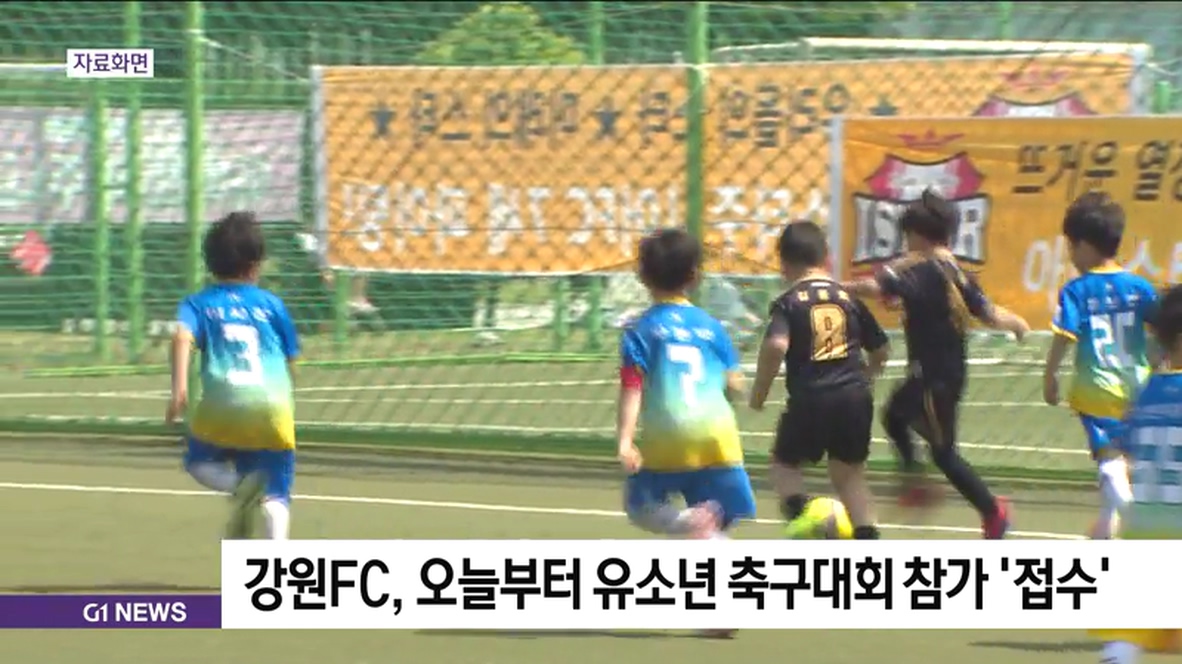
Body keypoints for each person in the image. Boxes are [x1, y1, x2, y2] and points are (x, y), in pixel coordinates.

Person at [844, 189, 1029, 539]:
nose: (905, 243)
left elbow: (876, 286)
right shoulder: (954, 270)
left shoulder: (922, 267)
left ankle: (993, 511)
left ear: (917, 234)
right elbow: (988, 313)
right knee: (895, 416)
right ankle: (916, 482)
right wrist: (1016, 323)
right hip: (937, 373)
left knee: (944, 454)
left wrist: (840, 287)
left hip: (935, 377)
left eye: (907, 235)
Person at [617, 228, 755, 639]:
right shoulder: (713, 327)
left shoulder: (639, 329)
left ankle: (687, 522)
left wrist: (625, 439)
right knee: (718, 524)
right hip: (717, 436)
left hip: (668, 437)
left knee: (641, 506)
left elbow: (632, 387)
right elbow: (735, 385)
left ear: (642, 276)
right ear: (695, 275)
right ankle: (721, 610)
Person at [749, 221, 889, 539]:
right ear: (827, 258)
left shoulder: (789, 302)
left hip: (811, 396)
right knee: (849, 476)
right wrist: (867, 375)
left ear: (784, 264)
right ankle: (867, 540)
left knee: (784, 464)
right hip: (854, 397)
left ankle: (812, 514)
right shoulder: (849, 299)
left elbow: (776, 345)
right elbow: (880, 350)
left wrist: (760, 391)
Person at [166, 211, 301, 540]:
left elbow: (181, 337)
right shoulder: (272, 304)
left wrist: (179, 389)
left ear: (210, 263)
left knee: (199, 463)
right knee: (277, 494)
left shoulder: (198, 304)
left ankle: (239, 486)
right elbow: (291, 360)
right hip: (272, 410)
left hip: (222, 408)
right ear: (257, 264)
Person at [1042, 192, 1158, 539]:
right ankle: (1104, 533)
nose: (1070, 254)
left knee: (1109, 461)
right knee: (1124, 462)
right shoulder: (1140, 287)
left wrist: (1050, 375)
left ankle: (1136, 520)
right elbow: (1162, 335)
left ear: (1084, 245)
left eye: (1071, 246)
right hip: (1138, 390)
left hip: (1095, 392)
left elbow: (1064, 335)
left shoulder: (1076, 290)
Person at [1087, 284, 1182, 664]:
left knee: (1126, 636)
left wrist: (1112, 505)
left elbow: (1118, 451)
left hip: (1146, 530)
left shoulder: (1147, 393)